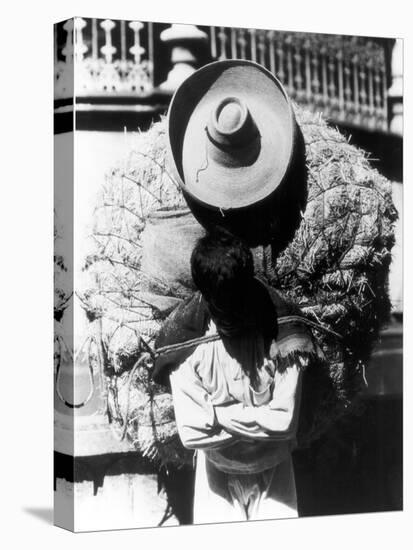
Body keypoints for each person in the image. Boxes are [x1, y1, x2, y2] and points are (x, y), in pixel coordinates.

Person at [154, 228, 320, 523]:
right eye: (222, 307)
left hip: (275, 473)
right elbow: (192, 433)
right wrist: (259, 418)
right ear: (206, 296)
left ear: (249, 288)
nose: (232, 316)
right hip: (215, 475)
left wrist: (217, 416)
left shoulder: (283, 333)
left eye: (238, 304)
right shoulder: (185, 342)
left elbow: (284, 422)